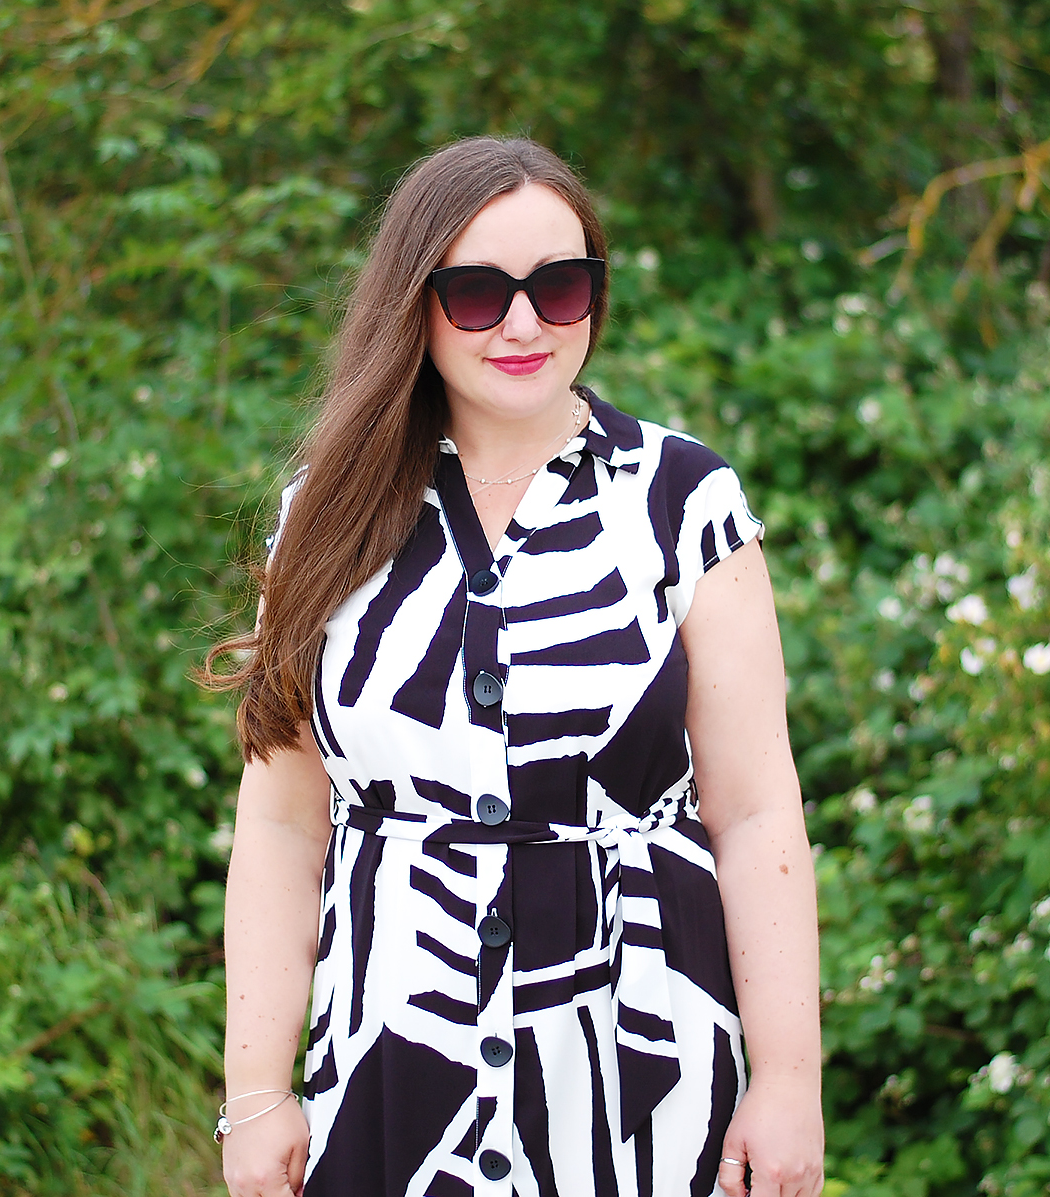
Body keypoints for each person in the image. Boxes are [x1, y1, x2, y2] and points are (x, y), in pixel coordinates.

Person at [200, 136, 822, 1197]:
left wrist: (790, 1079)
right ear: (416, 304)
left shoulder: (684, 503)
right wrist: (255, 1091)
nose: (527, 323)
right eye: (479, 294)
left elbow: (757, 813)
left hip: (642, 1064)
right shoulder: (329, 513)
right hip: (397, 1052)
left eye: (562, 286)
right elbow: (283, 821)